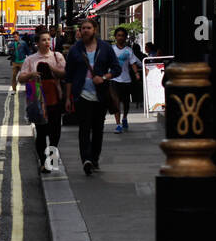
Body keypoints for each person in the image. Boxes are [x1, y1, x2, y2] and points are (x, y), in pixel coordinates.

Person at [64, 17, 125, 175]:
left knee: (98, 129)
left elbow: (117, 69)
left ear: (94, 30)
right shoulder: (75, 50)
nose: (85, 31)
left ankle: (95, 158)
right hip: (81, 95)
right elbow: (69, 76)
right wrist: (68, 99)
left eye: (88, 28)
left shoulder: (105, 48)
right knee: (84, 129)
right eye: (83, 28)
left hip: (101, 95)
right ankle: (86, 160)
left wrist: (104, 77)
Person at [19, 30, 67, 173]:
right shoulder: (30, 59)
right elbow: (20, 78)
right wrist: (31, 74)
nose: (46, 42)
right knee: (41, 132)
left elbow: (65, 73)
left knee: (55, 132)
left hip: (54, 97)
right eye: (43, 40)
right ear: (37, 43)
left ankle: (51, 160)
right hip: (37, 98)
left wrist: (50, 68)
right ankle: (42, 161)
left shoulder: (57, 56)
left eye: (48, 39)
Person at [110, 26, 143, 133]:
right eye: (118, 35)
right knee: (116, 102)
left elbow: (132, 63)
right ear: (115, 37)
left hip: (126, 80)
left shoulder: (128, 51)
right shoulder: (111, 50)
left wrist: (136, 73)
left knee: (126, 103)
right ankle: (118, 124)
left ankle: (124, 118)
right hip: (114, 80)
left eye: (123, 36)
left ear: (125, 38)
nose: (120, 38)